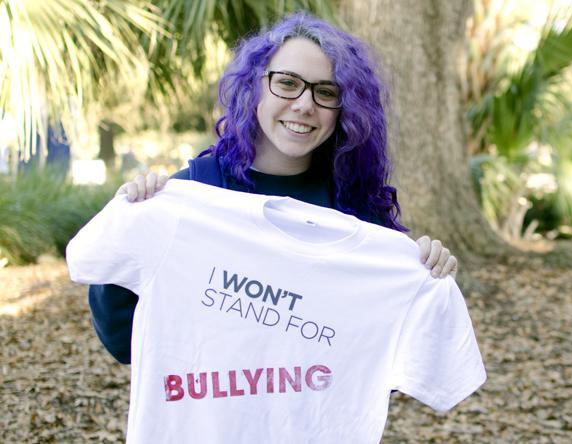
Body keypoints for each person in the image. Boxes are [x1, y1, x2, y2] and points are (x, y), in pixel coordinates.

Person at [88, 12, 459, 365]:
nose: (304, 105)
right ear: (255, 84)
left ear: (344, 109)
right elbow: (125, 342)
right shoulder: (196, 193)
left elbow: (382, 364)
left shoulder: (357, 210)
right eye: (287, 83)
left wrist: (426, 281)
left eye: (326, 92)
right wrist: (131, 231)